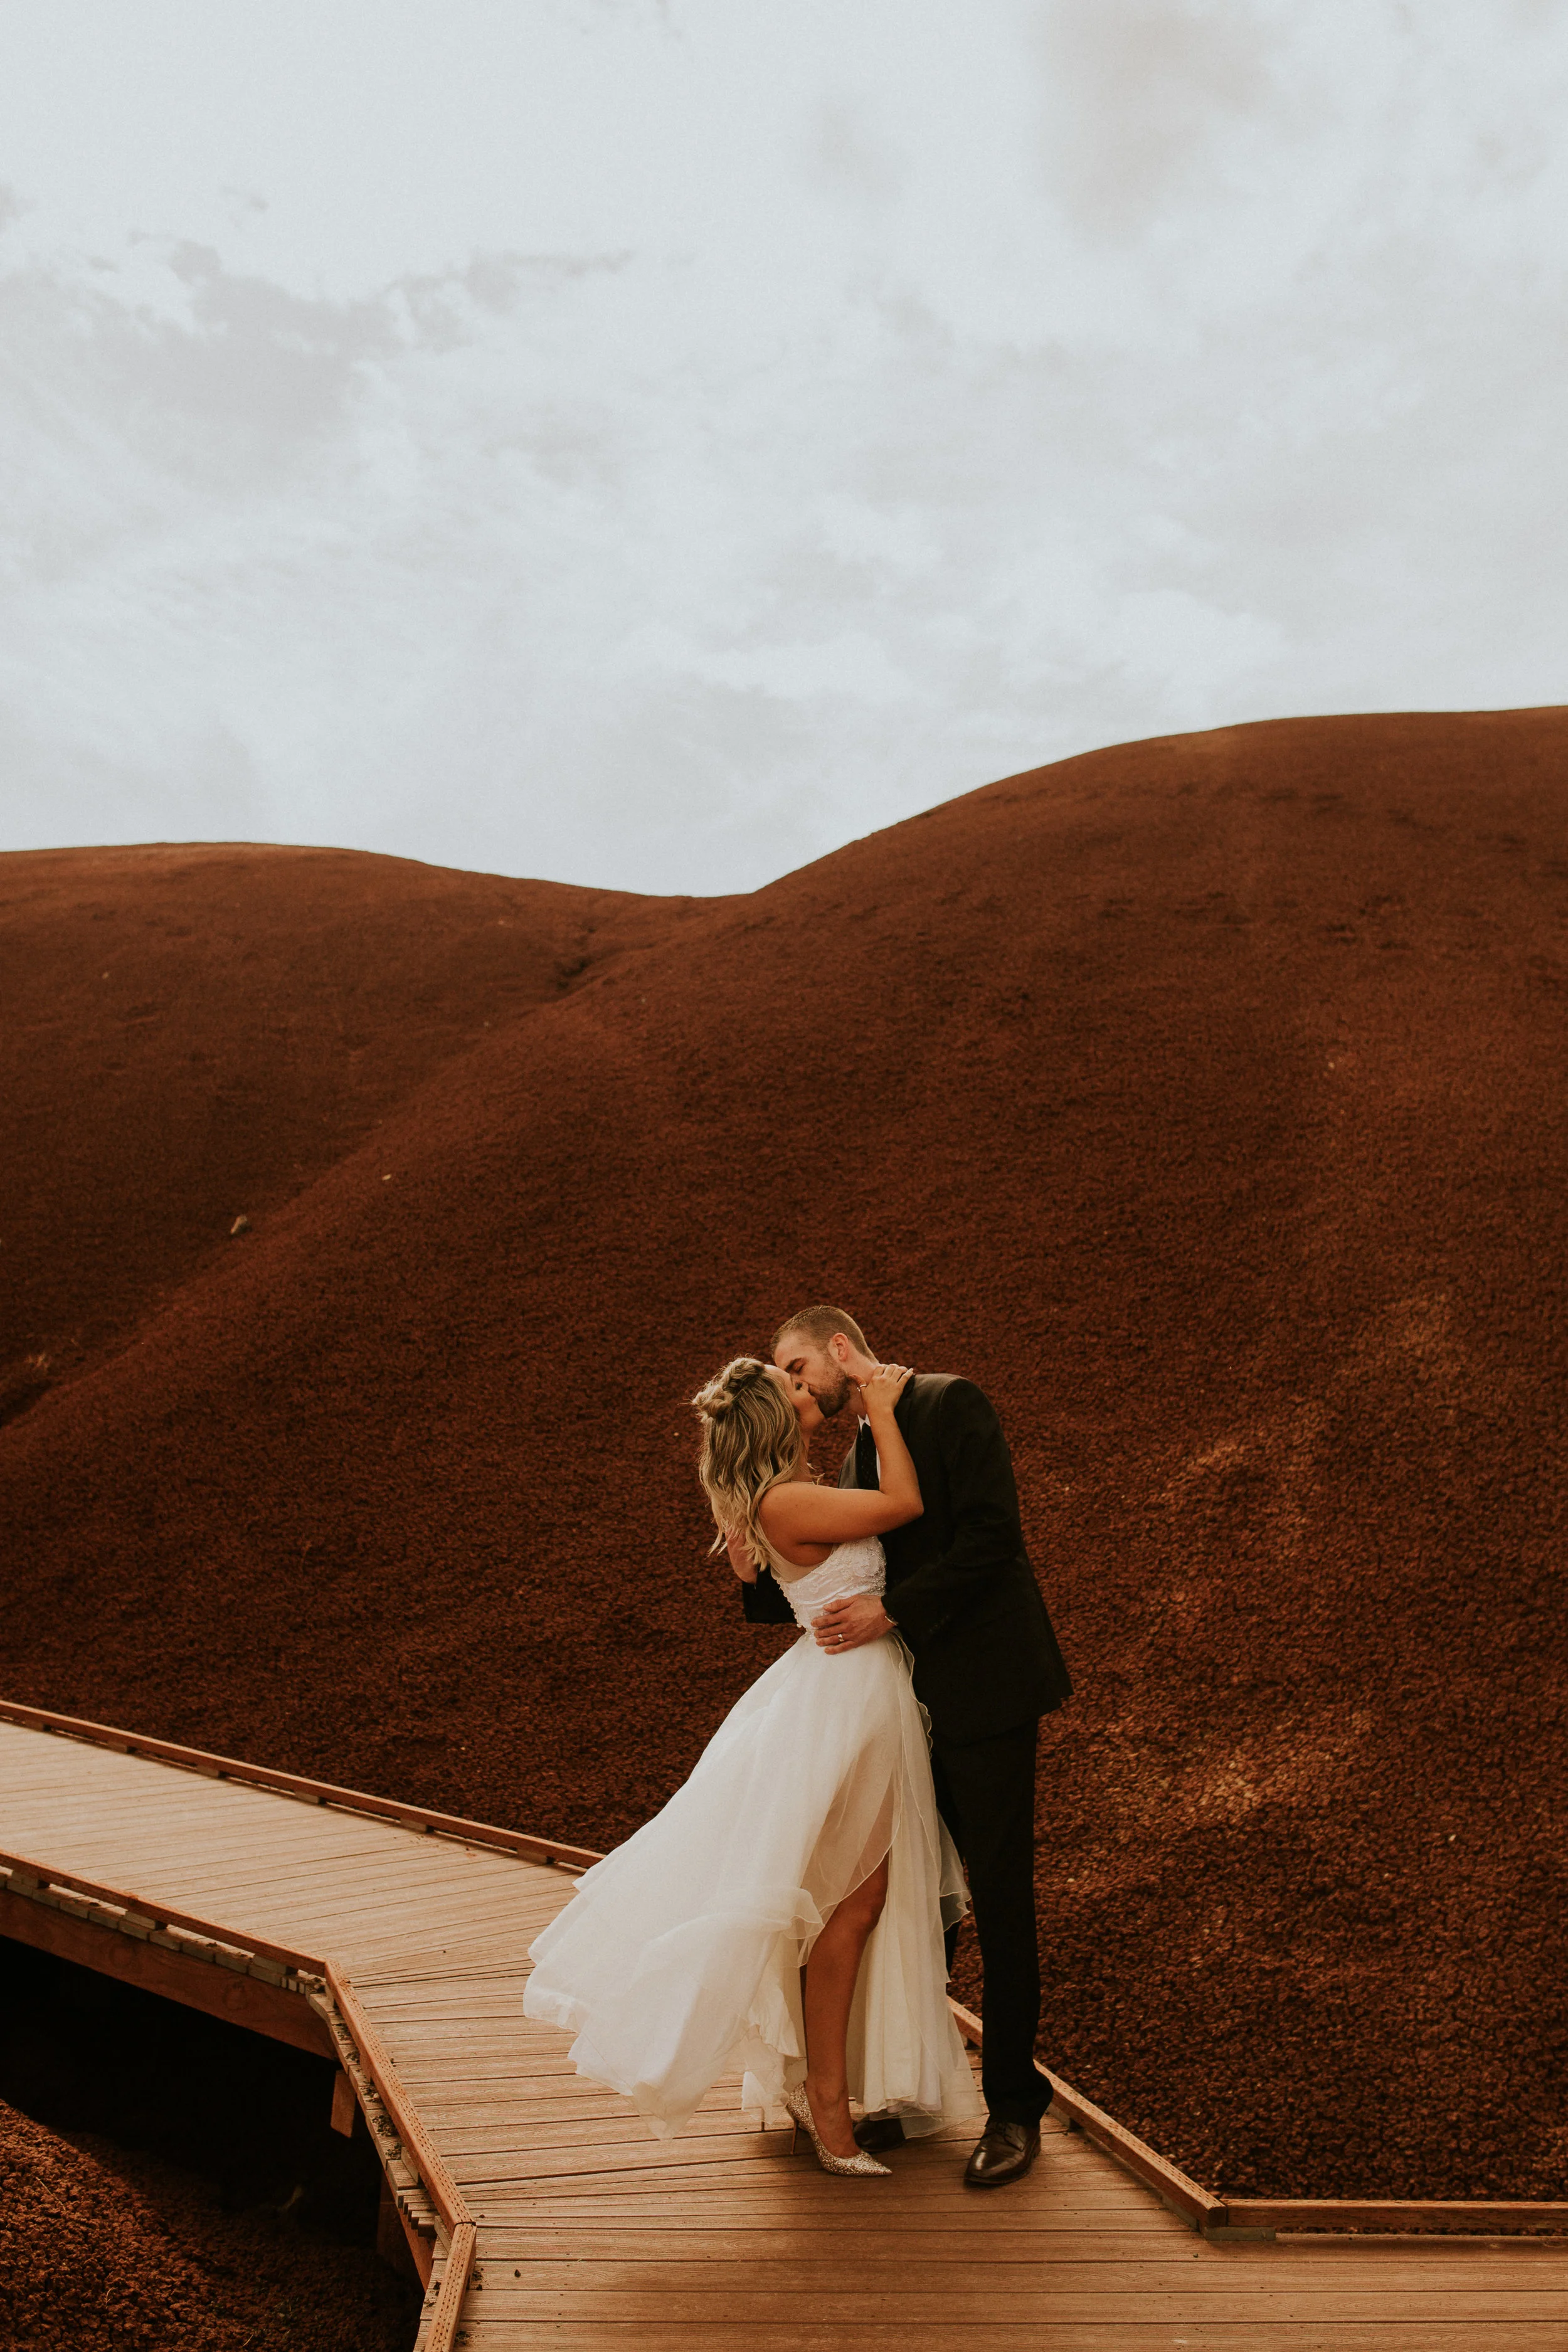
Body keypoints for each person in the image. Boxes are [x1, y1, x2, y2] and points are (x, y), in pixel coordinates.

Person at [522, 1354, 982, 2178]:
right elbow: (906, 1504)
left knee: (838, 1903)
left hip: (836, 1695)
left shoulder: (752, 1507)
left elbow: (752, 1566)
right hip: (848, 1701)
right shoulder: (790, 1499)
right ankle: (829, 2108)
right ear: (775, 1418)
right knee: (850, 1906)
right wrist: (881, 1407)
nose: (809, 1394)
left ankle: (820, 2089)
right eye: (795, 1390)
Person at [756, 1306, 1073, 2188]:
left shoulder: (950, 1401)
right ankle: (916, 2084)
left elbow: (991, 1539)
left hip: (985, 1694)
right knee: (916, 1909)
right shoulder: (862, 1453)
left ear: (840, 1349)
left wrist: (894, 1611)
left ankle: (1013, 2107)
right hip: (902, 1714)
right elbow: (823, 1579)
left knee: (1001, 1902)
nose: (789, 1381)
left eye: (793, 1363)